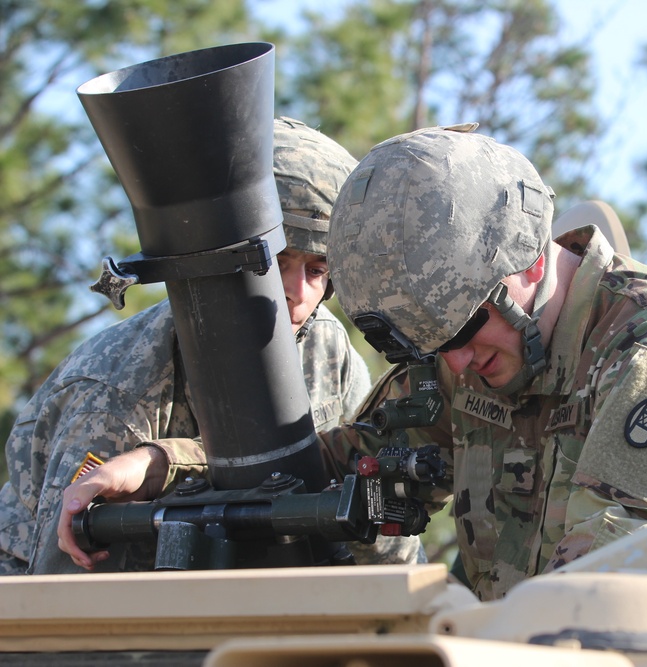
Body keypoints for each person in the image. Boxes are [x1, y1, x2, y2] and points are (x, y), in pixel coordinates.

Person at [319, 124, 647, 600]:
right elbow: (350, 470)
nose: (454, 363)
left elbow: (607, 570)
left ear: (531, 262)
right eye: (430, 346)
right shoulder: (476, 349)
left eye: (461, 331)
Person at [0, 117, 419, 574]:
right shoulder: (119, 389)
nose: (298, 291)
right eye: (278, 262)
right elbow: (72, 582)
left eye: (318, 269)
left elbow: (370, 513)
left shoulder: (329, 352)